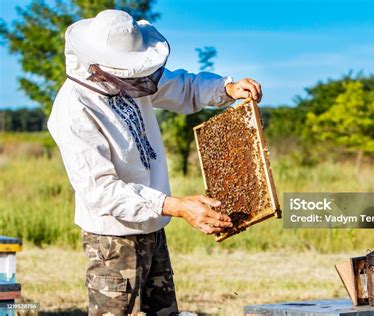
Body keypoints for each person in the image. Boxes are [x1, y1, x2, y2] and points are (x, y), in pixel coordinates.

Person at [47, 9, 262, 316]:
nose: (142, 80)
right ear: (101, 67)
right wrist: (178, 206)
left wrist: (224, 89)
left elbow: (180, 86)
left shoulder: (128, 77)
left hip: (153, 227)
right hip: (113, 239)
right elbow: (103, 191)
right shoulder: (73, 112)